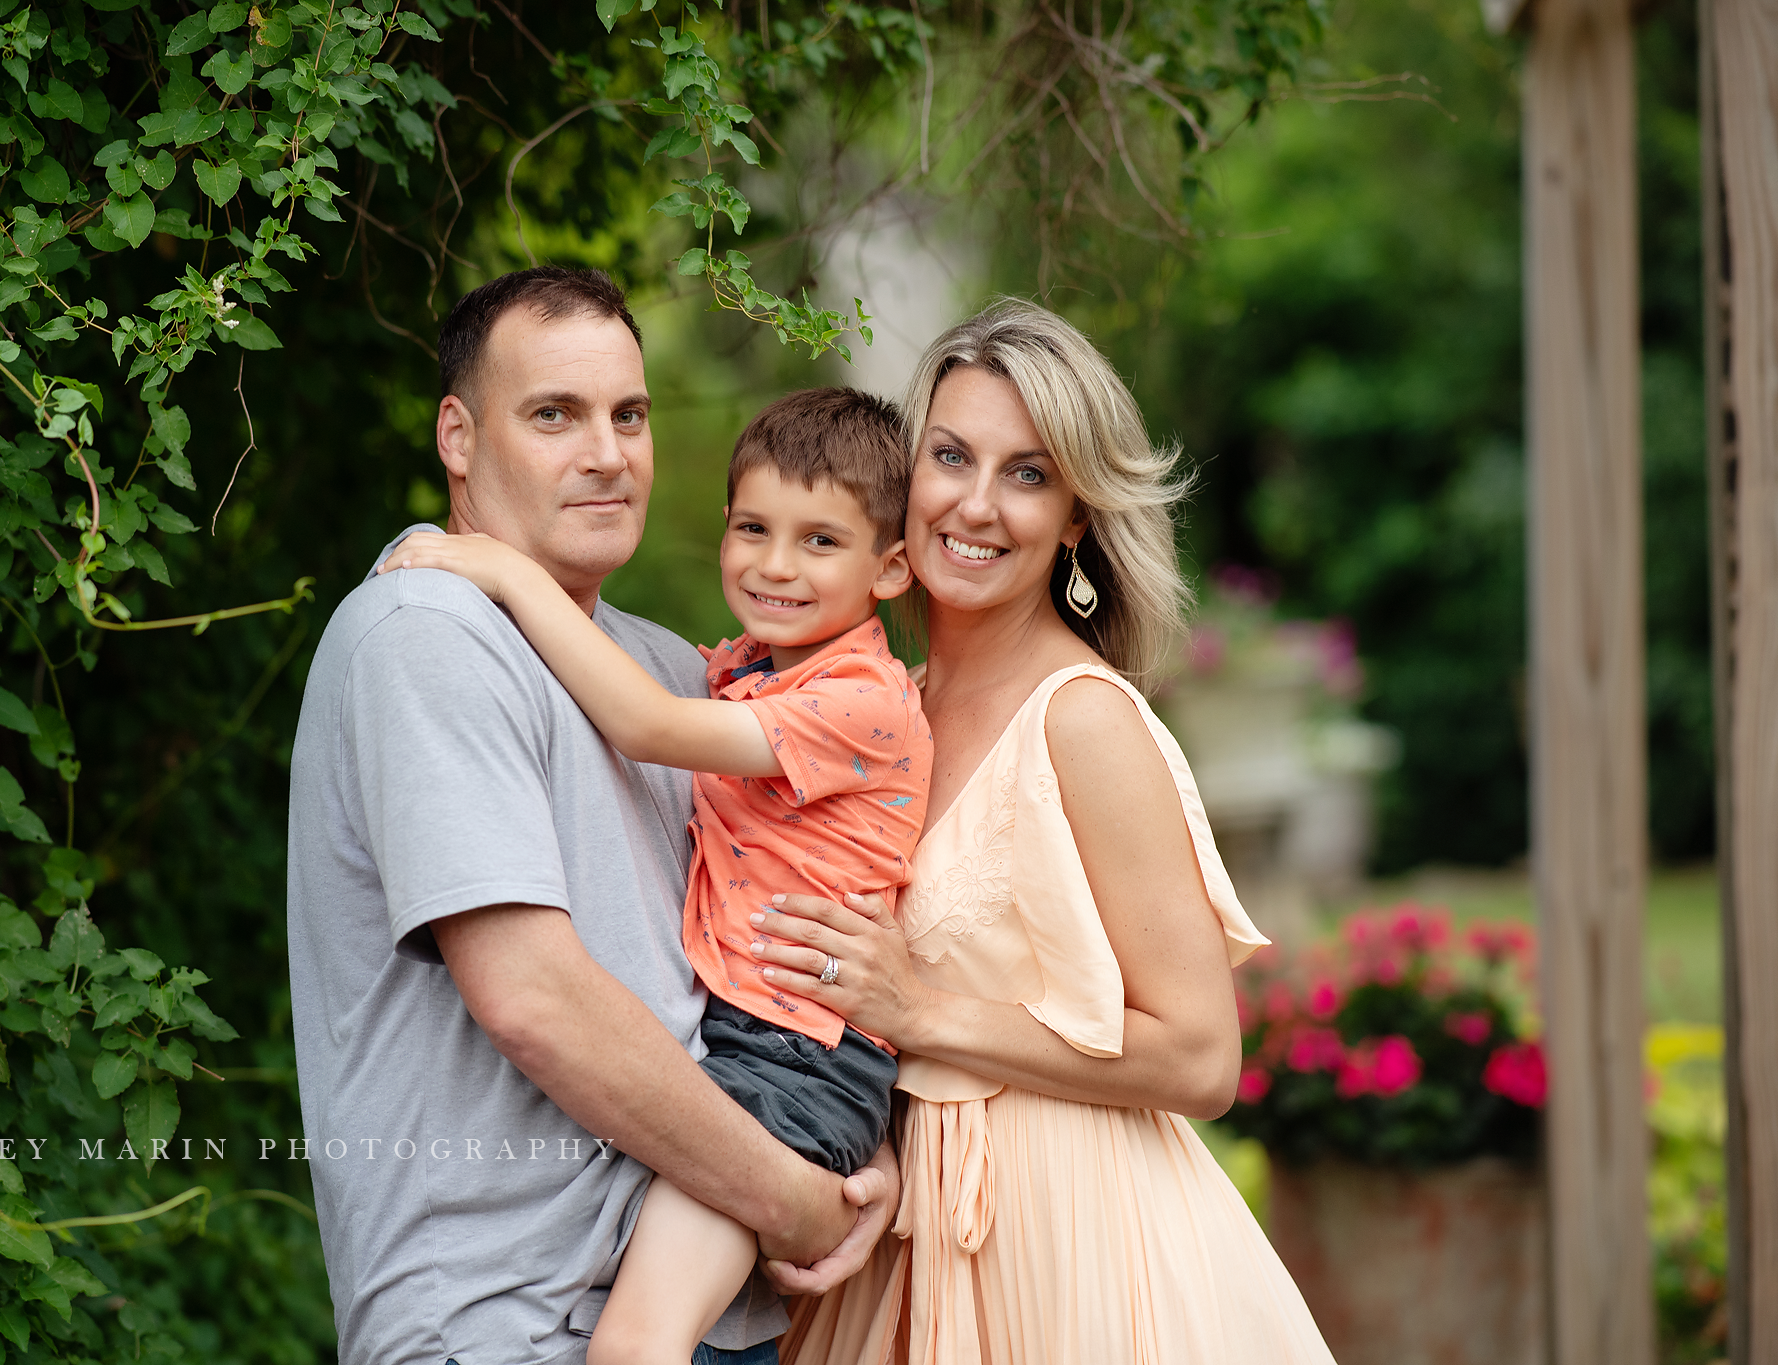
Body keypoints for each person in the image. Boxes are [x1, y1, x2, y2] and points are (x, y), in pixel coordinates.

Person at [285, 267, 896, 1365]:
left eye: (630, 415)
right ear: (458, 437)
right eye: (554, 415)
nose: (607, 454)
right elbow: (535, 1000)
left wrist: (844, 1135)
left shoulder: (669, 671)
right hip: (503, 1320)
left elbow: (747, 974)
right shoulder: (427, 628)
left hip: (705, 1305)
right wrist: (795, 1198)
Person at [755, 301, 1340, 1363]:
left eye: (1027, 474)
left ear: (1074, 517)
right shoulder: (888, 710)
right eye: (950, 456)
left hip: (1077, 1253)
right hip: (903, 1237)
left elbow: (1203, 1057)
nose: (975, 505)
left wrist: (920, 1010)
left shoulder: (1084, 720)